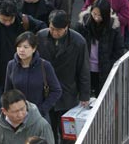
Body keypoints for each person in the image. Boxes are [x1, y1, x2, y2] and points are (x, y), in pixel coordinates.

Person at [0, 0, 46, 120]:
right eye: (4, 20)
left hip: (19, 77)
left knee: (20, 117)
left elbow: (42, 28)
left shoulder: (23, 21)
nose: (7, 23)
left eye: (10, 20)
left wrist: (32, 45)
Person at [37, 10, 90, 144]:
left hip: (68, 93)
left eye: (58, 30)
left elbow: (83, 69)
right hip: (46, 93)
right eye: (52, 28)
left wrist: (84, 95)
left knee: (68, 135)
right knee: (48, 133)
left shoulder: (78, 42)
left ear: (66, 27)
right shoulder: (40, 37)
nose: (55, 33)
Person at [4, 32, 62, 120]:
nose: (21, 50)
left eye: (25, 47)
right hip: (17, 116)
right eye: (19, 46)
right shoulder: (11, 65)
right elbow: (8, 91)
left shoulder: (45, 65)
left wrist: (42, 109)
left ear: (34, 48)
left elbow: (57, 90)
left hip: (39, 116)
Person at [75, 0, 124, 97]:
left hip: (104, 69)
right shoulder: (83, 24)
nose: (96, 18)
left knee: (101, 97)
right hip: (85, 68)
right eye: (94, 14)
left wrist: (110, 64)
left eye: (100, 15)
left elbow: (118, 50)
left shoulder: (113, 27)